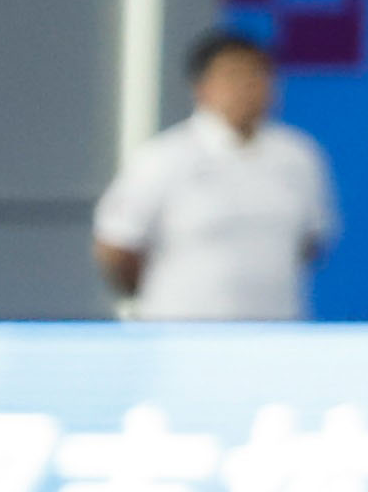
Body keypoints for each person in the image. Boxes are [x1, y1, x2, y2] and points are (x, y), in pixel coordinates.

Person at [91, 29, 341, 321]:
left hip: (275, 331)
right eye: (232, 75)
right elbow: (118, 247)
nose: (247, 86)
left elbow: (310, 244)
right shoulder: (163, 157)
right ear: (202, 87)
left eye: (257, 74)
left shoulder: (299, 156)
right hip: (182, 332)